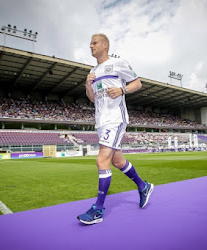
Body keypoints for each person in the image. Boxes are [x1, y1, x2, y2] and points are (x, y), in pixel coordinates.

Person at [77, 33, 154, 225]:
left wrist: (122, 90)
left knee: (102, 159)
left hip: (116, 119)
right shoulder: (93, 71)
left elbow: (137, 82)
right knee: (118, 161)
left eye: (94, 43)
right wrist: (88, 84)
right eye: (90, 43)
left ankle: (98, 210)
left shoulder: (118, 64)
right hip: (101, 122)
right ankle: (143, 187)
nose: (91, 46)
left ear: (105, 45)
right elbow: (93, 99)